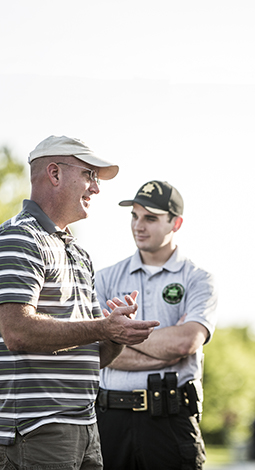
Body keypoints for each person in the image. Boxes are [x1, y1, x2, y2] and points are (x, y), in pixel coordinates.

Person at [0, 135, 159, 469]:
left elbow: (93, 356)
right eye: (90, 175)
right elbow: (17, 332)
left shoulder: (79, 253)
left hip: (86, 428)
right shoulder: (18, 237)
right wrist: (103, 325)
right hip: (39, 430)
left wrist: (114, 336)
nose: (96, 188)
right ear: (55, 174)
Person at [95, 180, 218, 470]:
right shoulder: (103, 278)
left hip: (171, 419)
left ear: (176, 223)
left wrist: (117, 335)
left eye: (150, 218)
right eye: (134, 216)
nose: (139, 225)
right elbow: (95, 350)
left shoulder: (199, 279)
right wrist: (164, 349)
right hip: (110, 418)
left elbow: (185, 343)